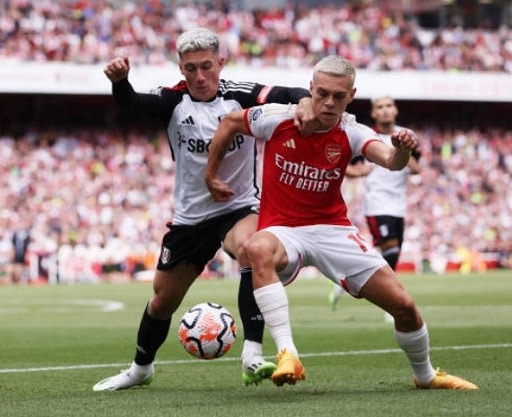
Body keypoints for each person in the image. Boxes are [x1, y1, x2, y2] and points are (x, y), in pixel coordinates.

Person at [204, 55, 478, 390]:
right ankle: (287, 353)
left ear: (351, 95)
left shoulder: (352, 132)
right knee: (255, 248)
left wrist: (403, 150)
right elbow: (230, 122)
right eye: (322, 93)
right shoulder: (277, 119)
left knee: (404, 307)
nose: (329, 102)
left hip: (333, 231)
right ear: (310, 90)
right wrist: (211, 175)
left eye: (339, 96)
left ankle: (425, 375)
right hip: (283, 231)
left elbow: (391, 161)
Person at [92, 27, 315, 391]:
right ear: (181, 68)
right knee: (163, 300)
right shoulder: (173, 101)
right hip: (190, 218)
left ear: (220, 64)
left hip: (239, 206)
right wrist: (120, 82)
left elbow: (289, 93)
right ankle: (140, 369)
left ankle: (253, 353)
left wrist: (305, 102)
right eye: (191, 68)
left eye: (206, 67)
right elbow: (131, 103)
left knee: (251, 249)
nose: (199, 76)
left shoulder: (241, 95)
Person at [329, 95, 421, 311]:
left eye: (389, 106)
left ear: (396, 110)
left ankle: (347, 279)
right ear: (374, 113)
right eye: (380, 107)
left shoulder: (407, 135)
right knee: (391, 250)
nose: (385, 110)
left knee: (386, 252)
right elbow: (343, 166)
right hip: (376, 204)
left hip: (398, 204)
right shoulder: (366, 137)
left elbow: (417, 167)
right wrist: (359, 171)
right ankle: (392, 301)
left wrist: (406, 153)